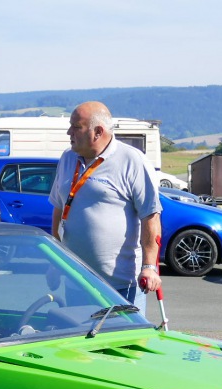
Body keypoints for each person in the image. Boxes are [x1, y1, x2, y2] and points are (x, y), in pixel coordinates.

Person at [49, 101, 162, 312]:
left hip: (120, 285)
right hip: (77, 280)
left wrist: (149, 267)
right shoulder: (67, 158)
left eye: (76, 127)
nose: (68, 132)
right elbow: (58, 207)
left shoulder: (132, 160)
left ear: (97, 132)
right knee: (81, 342)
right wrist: (56, 258)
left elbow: (151, 216)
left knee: (124, 344)